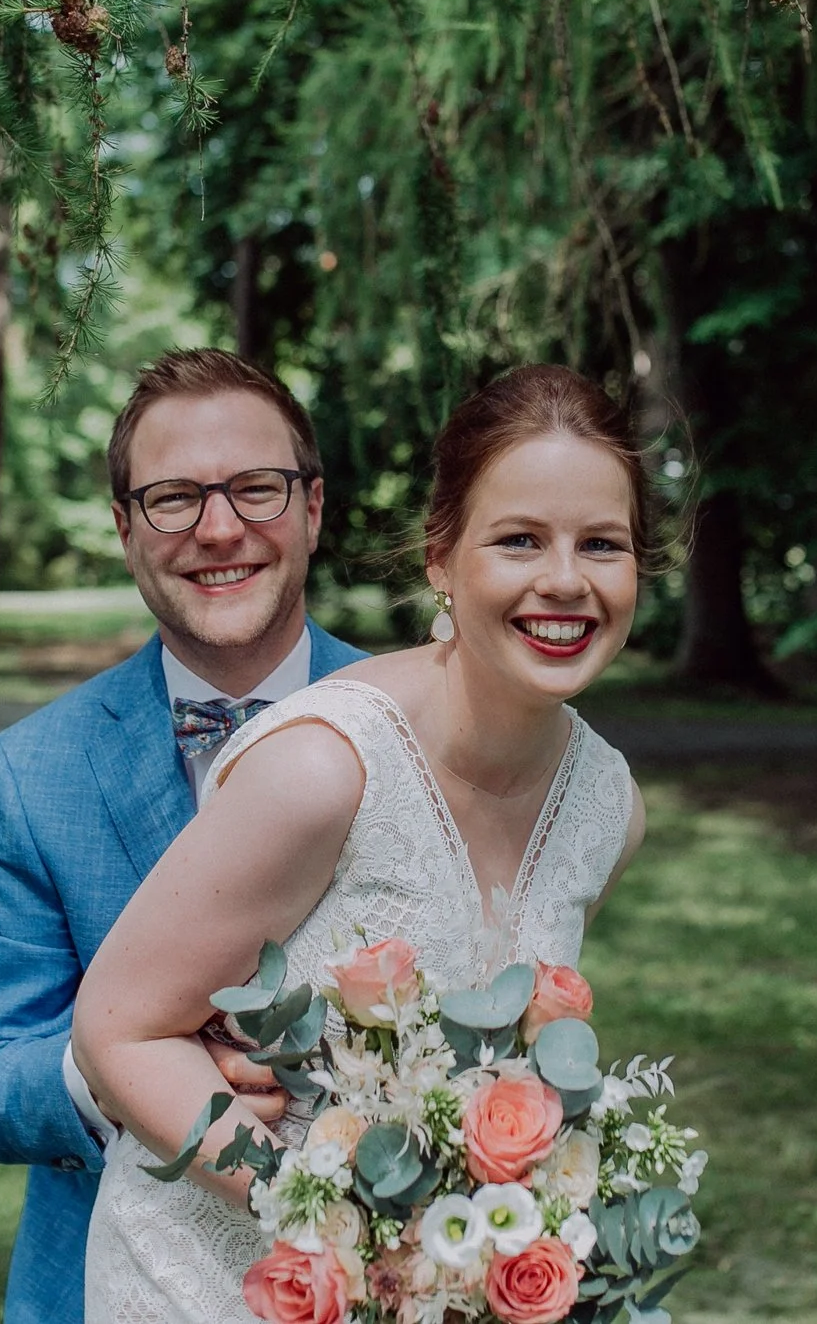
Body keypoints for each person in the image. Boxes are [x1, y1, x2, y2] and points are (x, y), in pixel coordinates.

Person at [73, 364, 654, 1322]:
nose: (565, 580)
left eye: (603, 543)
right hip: (205, 1289)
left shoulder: (607, 807)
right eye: (519, 540)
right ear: (440, 557)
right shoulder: (324, 768)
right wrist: (346, 1222)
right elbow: (118, 1026)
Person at [0, 349, 368, 1324]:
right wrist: (131, 1075)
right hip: (115, 1283)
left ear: (311, 506)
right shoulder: (32, 769)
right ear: (125, 527)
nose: (219, 528)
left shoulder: (428, 723)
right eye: (174, 497)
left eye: (256, 488)